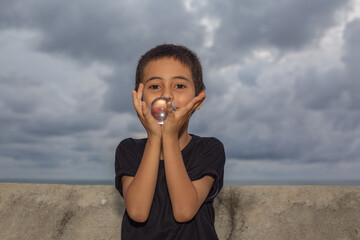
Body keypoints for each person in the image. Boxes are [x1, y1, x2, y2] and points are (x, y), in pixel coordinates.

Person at [115, 44, 226, 240]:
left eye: (180, 86)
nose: (166, 96)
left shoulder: (209, 148)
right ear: (140, 98)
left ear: (198, 100)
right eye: (155, 86)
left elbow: (184, 211)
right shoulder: (129, 149)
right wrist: (156, 136)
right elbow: (137, 211)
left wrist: (168, 137)